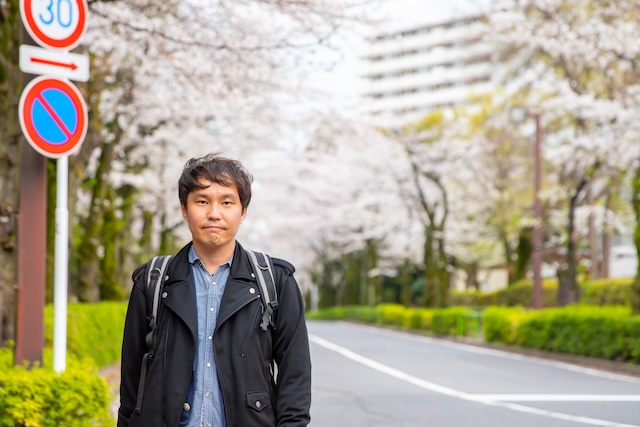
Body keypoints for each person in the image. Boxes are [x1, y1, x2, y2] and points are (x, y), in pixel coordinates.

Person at [118, 154, 312, 427]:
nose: (214, 213)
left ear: (242, 211)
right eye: (202, 201)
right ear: (185, 210)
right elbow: (130, 385)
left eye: (227, 202)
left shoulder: (276, 282)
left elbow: (295, 375)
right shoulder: (153, 281)